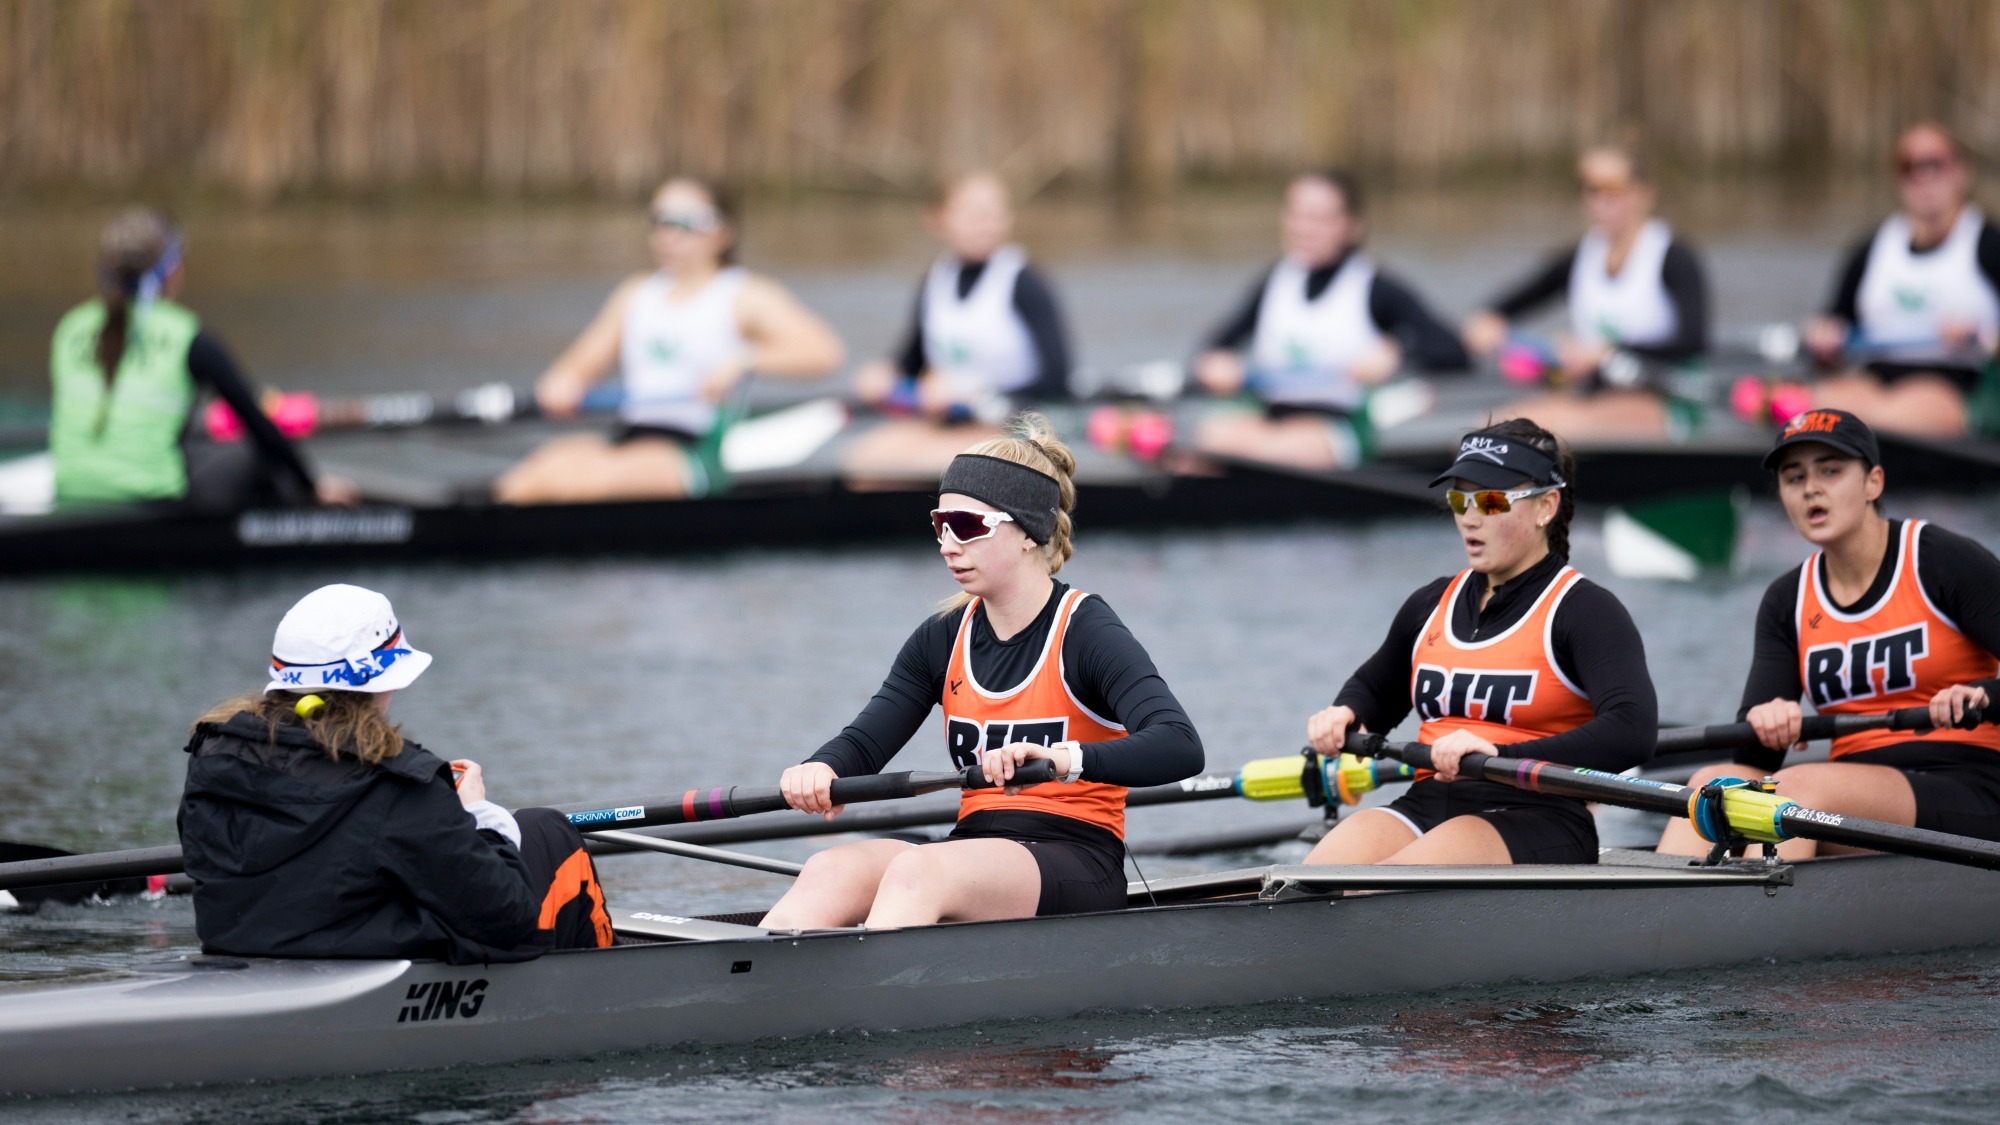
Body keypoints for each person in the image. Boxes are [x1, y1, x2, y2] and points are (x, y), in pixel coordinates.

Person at [760, 414, 1202, 928]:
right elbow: (864, 743)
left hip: (1075, 856)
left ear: (1027, 533)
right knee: (829, 867)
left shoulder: (1087, 631)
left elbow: (1180, 745)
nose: (948, 544)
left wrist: (1064, 759)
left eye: (968, 526)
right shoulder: (942, 636)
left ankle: (870, 1003)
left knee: (915, 873)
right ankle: (753, 999)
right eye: (940, 525)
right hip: (972, 848)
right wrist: (821, 769)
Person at [178, 583, 614, 962]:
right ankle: (608, 992)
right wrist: (478, 814)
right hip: (374, 964)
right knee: (546, 830)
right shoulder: (399, 786)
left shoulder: (211, 758)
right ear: (384, 680)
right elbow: (511, 919)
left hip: (244, 947)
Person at [1302, 418, 1658, 865]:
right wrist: (1344, 713)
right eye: (1459, 499)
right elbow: (1377, 689)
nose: (1469, 518)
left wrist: (1501, 753)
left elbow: (1633, 729)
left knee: (1372, 893)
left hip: (1536, 814)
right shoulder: (1431, 603)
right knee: (1309, 882)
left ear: (1546, 506)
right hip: (1428, 802)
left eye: (1490, 501)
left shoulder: (1584, 611)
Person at [1658, 410, 2000, 859]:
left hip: (1969, 787)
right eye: (1794, 477)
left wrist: (1982, 696)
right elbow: (1754, 762)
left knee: (1793, 794)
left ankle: (1760, 918)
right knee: (1709, 786)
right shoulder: (1787, 600)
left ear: (1873, 482)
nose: (1811, 488)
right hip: (1848, 801)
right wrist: (1769, 722)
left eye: (1831, 471)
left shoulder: (1942, 562)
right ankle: (1654, 918)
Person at [495, 177, 845, 503]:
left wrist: (744, 360)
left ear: (724, 232)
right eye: (661, 220)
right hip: (631, 434)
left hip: (697, 449)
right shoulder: (635, 295)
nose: (670, 234)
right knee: (533, 475)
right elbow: (576, 366)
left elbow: (824, 353)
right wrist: (563, 385)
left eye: (687, 222)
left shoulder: (744, 295)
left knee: (586, 481)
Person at [48, 209, 353, 512]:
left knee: (189, 442)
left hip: (72, 489)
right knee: (253, 454)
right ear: (171, 272)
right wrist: (312, 486)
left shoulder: (69, 328)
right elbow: (258, 425)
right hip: (153, 501)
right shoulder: (186, 336)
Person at [1194, 169, 1469, 470]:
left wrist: (1399, 354)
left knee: (1250, 447)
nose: (1306, 228)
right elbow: (1213, 349)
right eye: (1298, 215)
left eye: (1321, 218)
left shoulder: (1376, 288)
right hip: (1271, 420)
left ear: (1352, 226)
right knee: (1210, 435)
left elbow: (1454, 351)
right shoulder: (1274, 281)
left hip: (1339, 430)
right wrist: (1216, 366)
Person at [1463, 145, 1711, 442]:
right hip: (1596, 396)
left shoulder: (1674, 259)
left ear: (1643, 193)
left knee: (1531, 436)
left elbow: (1694, 341)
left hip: (1666, 399)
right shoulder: (1580, 258)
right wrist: (1488, 321)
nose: (1601, 202)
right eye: (1592, 190)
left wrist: (1606, 352)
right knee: (1482, 431)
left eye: (1613, 190)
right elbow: (1514, 302)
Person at [842, 172, 1075, 482]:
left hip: (1017, 423)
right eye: (975, 214)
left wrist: (975, 398)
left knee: (911, 467)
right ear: (937, 219)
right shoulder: (935, 281)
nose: (987, 224)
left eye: (995, 214)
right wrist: (884, 376)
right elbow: (912, 362)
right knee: (858, 462)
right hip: (951, 420)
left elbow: (1059, 379)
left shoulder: (1026, 282)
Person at [1798, 124, 2000, 437]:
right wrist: (1823, 339)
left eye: (1935, 165)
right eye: (1910, 168)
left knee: (1877, 417)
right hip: (1875, 377)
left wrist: (1982, 334)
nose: (1924, 178)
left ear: (1962, 173)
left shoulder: (1989, 245)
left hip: (1957, 382)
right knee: (1814, 408)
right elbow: (1835, 321)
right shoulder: (1871, 249)